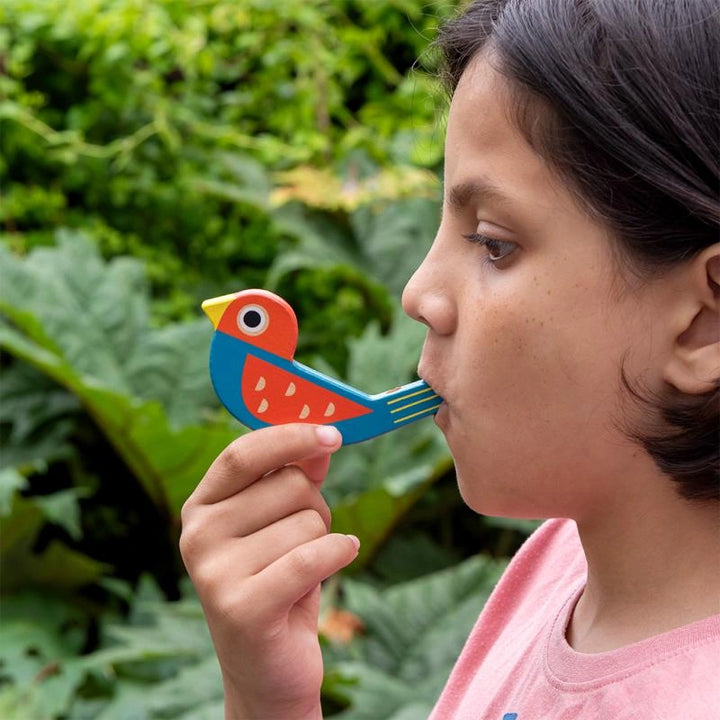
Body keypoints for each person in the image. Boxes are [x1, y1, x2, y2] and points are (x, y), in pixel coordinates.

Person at [179, 0, 720, 717]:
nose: (419, 293)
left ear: (702, 325)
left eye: (494, 242)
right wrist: (268, 697)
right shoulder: (568, 563)